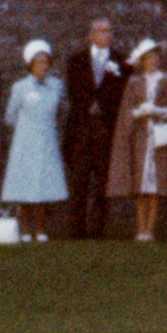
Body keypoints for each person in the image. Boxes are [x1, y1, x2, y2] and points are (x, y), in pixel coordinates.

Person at [61, 16, 129, 241]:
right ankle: (77, 229)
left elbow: (122, 94)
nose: (105, 34)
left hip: (106, 129)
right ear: (91, 34)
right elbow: (73, 91)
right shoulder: (76, 60)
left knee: (102, 182)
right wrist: (90, 105)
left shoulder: (121, 61)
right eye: (100, 31)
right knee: (79, 181)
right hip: (82, 128)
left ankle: (98, 229)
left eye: (108, 30)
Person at [0, 40, 71, 239]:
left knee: (43, 184)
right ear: (30, 64)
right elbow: (10, 116)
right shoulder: (20, 87)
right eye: (38, 62)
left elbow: (61, 110)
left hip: (47, 139)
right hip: (25, 141)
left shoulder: (56, 86)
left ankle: (40, 228)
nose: (43, 66)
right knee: (25, 183)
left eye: (46, 62)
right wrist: (26, 130)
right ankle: (24, 229)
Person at [114, 38, 167, 242]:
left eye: (156, 57)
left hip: (160, 137)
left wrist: (159, 111)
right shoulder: (134, 83)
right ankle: (140, 227)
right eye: (149, 58)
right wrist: (138, 113)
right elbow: (126, 110)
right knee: (140, 186)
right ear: (142, 61)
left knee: (155, 186)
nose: (153, 61)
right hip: (140, 138)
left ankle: (150, 228)